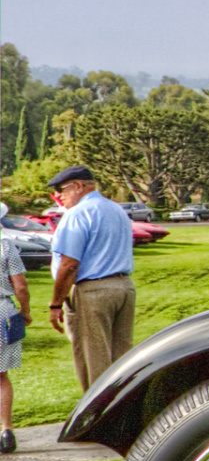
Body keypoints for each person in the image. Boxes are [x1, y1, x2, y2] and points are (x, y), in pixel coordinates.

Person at [45, 166, 136, 392]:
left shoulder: (78, 214)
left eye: (62, 190)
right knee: (121, 357)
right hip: (124, 286)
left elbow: (69, 265)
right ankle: (123, 410)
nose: (60, 197)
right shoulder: (116, 210)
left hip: (94, 290)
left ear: (78, 186)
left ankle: (98, 417)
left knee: (93, 359)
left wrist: (56, 303)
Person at [1, 208, 30, 455]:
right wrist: (26, 310)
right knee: (1, 376)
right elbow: (20, 284)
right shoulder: (6, 245)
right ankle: (6, 429)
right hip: (3, 310)